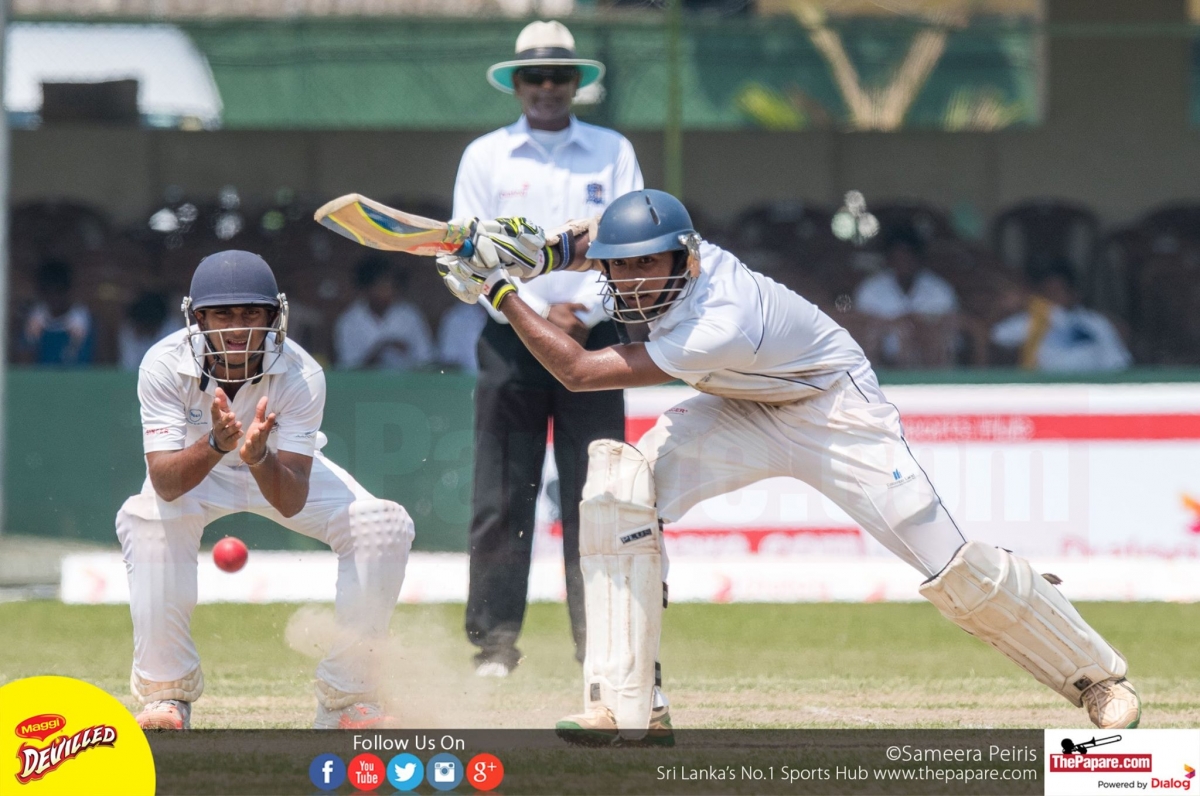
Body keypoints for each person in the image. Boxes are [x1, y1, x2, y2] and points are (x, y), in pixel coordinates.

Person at [436, 190, 1142, 743]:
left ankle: (1098, 680)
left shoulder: (718, 322)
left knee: (954, 567)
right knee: (622, 495)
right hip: (742, 404)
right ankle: (629, 706)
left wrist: (499, 291)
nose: (631, 279)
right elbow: (595, 241)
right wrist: (541, 252)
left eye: (647, 265)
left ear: (686, 260)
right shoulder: (668, 255)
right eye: (620, 266)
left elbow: (581, 371)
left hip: (832, 409)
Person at [117, 250, 414, 730]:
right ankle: (166, 695)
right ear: (198, 318)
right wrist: (217, 444)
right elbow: (166, 484)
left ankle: (348, 697)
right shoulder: (162, 364)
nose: (237, 327)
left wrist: (257, 456)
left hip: (275, 467)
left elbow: (291, 499)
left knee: (383, 524)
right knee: (144, 517)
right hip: (197, 469)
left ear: (274, 316)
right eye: (223, 314)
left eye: (251, 312)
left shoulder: (301, 372)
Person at [451, 19, 644, 676]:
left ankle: (601, 648)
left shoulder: (612, 150)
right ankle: (493, 645)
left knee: (599, 496)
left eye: (559, 76)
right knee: (501, 496)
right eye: (534, 76)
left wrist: (581, 312)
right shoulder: (486, 156)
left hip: (597, 336)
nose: (547, 87)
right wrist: (536, 315)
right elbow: (468, 255)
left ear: (576, 82)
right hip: (511, 339)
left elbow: (632, 242)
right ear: (516, 84)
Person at [992, 262, 1131, 371]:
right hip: (1046, 392)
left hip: (1090, 390)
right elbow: (996, 336)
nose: (1052, 297)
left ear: (1074, 293)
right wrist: (1009, 309)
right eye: (1047, 292)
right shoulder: (1032, 320)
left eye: (1057, 291)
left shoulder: (1096, 322)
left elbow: (1117, 364)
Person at [853, 224, 959, 366]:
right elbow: (862, 334)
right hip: (880, 368)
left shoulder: (940, 290)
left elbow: (950, 336)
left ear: (918, 258)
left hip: (929, 368)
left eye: (908, 256)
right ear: (888, 259)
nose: (903, 262)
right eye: (897, 256)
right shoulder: (870, 290)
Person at [334, 254, 435, 370]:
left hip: (406, 380)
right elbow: (348, 368)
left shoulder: (410, 315)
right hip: (366, 381)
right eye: (381, 287)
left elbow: (427, 360)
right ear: (367, 288)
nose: (388, 292)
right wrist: (380, 349)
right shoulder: (350, 321)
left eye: (391, 286)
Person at [19, 258, 95, 365]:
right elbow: (23, 364)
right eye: (48, 292)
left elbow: (103, 363)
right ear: (41, 293)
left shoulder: (87, 320)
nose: (54, 297)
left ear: (68, 290)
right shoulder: (33, 320)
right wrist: (30, 337)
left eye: (59, 291)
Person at [119, 291, 180, 370]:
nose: (142, 329)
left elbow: (173, 366)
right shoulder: (129, 331)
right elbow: (129, 367)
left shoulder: (173, 330)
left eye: (146, 326)